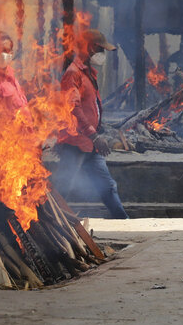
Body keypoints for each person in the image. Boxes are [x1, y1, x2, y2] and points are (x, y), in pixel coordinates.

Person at [51, 28, 130, 219]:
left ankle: (123, 221)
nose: (102, 55)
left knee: (108, 185)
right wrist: (94, 135)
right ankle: (50, 221)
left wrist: (95, 136)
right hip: (75, 143)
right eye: (100, 50)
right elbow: (73, 108)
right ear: (90, 48)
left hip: (89, 143)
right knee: (63, 188)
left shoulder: (88, 73)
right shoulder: (73, 74)